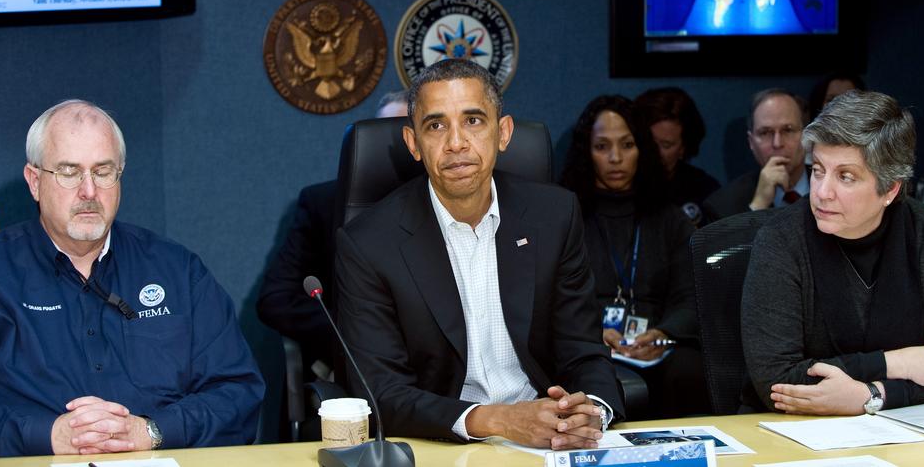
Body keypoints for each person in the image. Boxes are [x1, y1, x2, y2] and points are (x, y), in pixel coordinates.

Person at [335, 60, 625, 450]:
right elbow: (382, 392)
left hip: (548, 439)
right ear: (413, 144)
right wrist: (499, 420)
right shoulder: (368, 243)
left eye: (473, 121)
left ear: (503, 133)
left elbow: (584, 351)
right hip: (442, 441)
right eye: (435, 126)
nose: (456, 142)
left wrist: (589, 412)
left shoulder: (553, 216)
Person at [0, 100, 264, 458]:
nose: (89, 191)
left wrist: (152, 431)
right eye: (69, 172)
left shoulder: (178, 270)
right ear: (35, 181)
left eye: (103, 171)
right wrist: (45, 436)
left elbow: (239, 392)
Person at [741, 90, 924, 415]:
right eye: (818, 170)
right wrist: (896, 362)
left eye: (846, 176)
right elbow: (777, 381)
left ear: (890, 188)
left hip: (907, 433)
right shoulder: (780, 241)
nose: (823, 192)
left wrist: (872, 395)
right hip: (791, 434)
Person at [559, 94, 708, 418]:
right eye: (602, 147)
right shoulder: (563, 216)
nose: (615, 158)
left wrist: (665, 333)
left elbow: (691, 294)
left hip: (657, 344)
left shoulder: (669, 219)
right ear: (587, 152)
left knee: (691, 371)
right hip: (590, 343)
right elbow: (548, 300)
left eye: (627, 145)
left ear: (642, 149)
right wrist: (592, 334)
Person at [256, 90, 409, 389]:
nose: (394, 143)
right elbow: (276, 300)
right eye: (382, 132)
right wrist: (355, 332)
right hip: (346, 369)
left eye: (406, 131)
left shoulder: (447, 206)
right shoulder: (323, 203)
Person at [702, 89, 809, 224]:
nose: (777, 143)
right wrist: (758, 205)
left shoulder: (835, 188)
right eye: (765, 132)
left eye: (788, 130)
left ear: (807, 136)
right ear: (751, 142)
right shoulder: (723, 207)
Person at [634, 87, 720, 224]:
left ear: (683, 149)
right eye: (648, 141)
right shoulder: (621, 185)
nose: (654, 152)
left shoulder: (704, 190)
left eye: (666, 145)